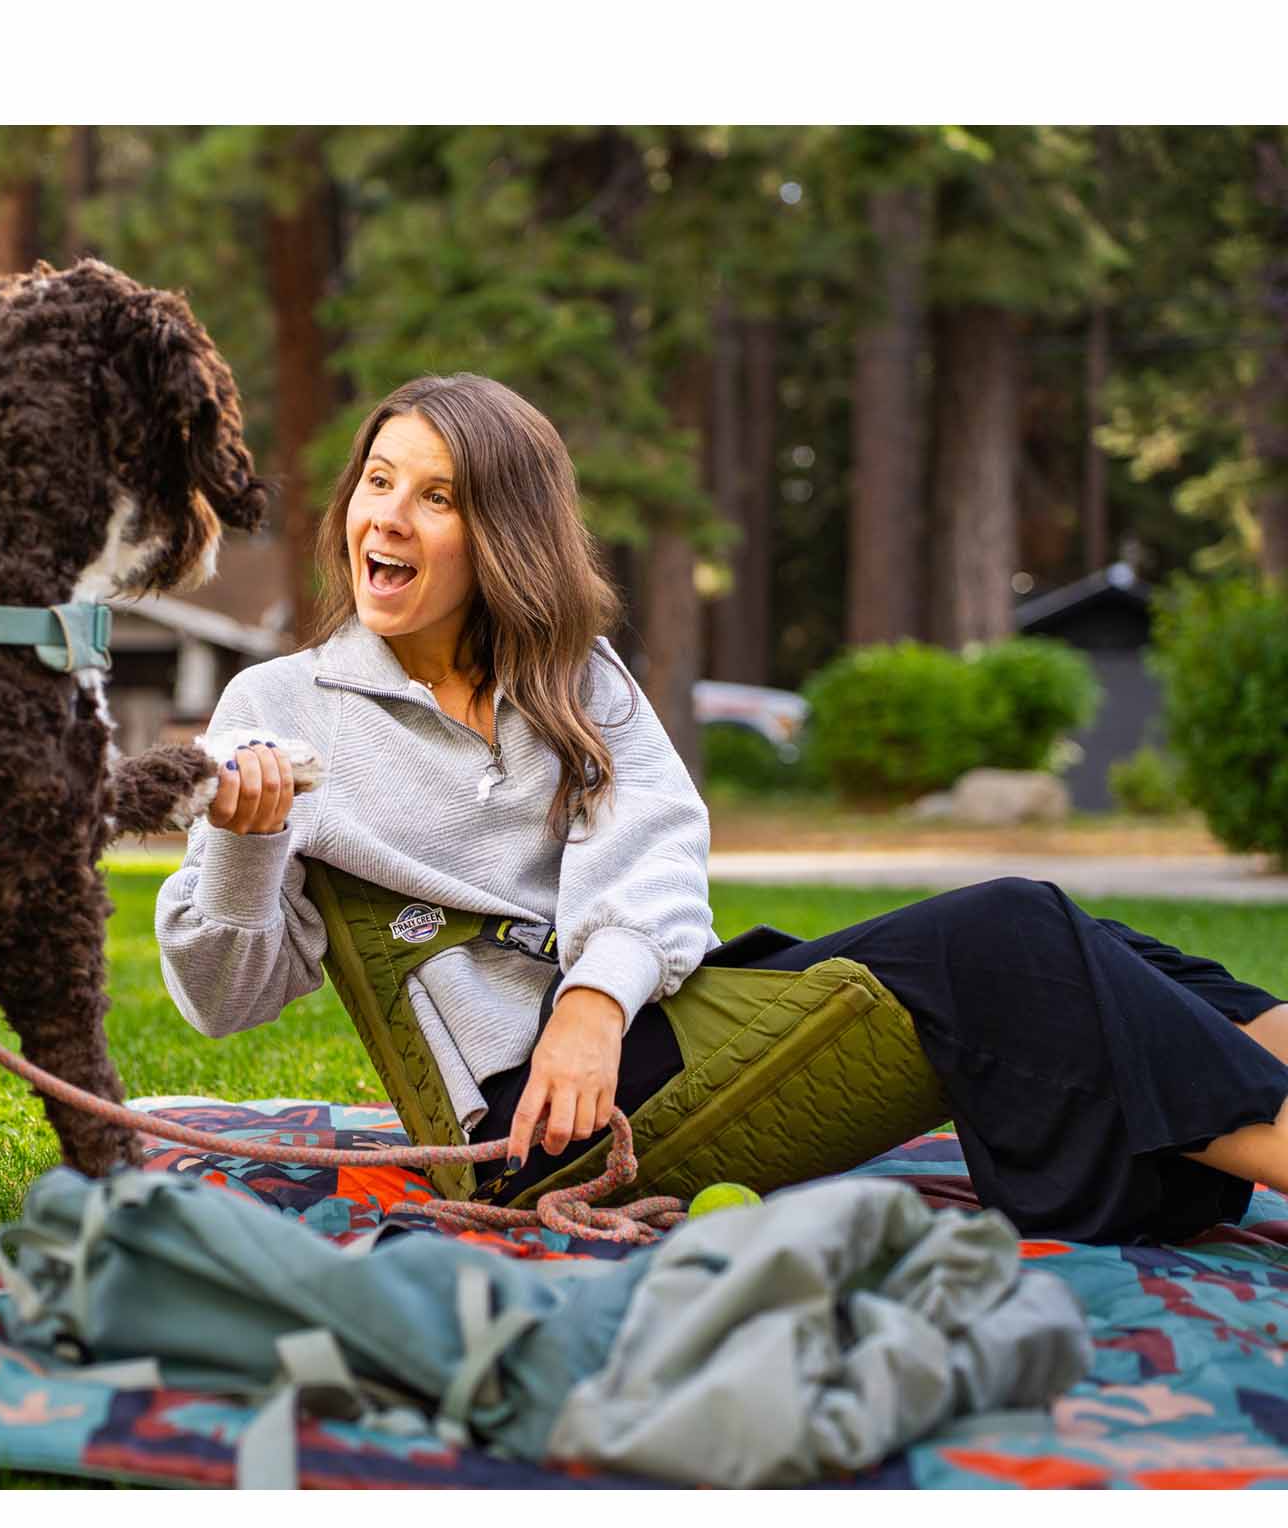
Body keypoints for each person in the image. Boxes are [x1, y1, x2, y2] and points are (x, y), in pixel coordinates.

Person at [154, 373, 1288, 1245]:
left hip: (632, 1029)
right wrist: (247, 849)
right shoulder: (281, 705)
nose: (388, 517)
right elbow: (221, 997)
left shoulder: (572, 676)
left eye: (436, 496)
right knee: (1007, 935)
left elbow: (654, 848)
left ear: (503, 533)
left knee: (1091, 941)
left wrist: (593, 999)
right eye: (379, 480)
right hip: (533, 1123)